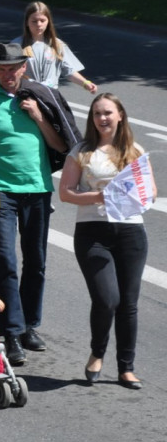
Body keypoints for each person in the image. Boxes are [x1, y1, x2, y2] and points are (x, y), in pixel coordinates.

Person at [0, 42, 67, 367]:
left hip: (38, 188)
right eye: (1, 69)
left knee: (37, 261)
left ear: (23, 68)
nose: (7, 74)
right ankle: (11, 333)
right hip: (0, 193)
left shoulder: (40, 98)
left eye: (13, 68)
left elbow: (61, 144)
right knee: (5, 260)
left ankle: (30, 325)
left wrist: (38, 116)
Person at [59, 94, 156, 390]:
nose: (102, 118)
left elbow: (151, 191)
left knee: (128, 303)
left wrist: (136, 194)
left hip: (130, 233)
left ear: (120, 115)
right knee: (106, 298)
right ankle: (97, 353)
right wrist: (98, 196)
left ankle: (126, 368)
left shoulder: (134, 151)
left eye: (108, 113)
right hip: (93, 233)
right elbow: (65, 192)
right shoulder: (82, 151)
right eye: (97, 114)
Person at [13, 1, 98, 94]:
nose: (39, 24)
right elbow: (8, 72)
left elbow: (69, 71)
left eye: (42, 20)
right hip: (27, 94)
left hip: (50, 95)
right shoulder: (17, 45)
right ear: (27, 22)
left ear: (48, 22)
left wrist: (85, 83)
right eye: (34, 21)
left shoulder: (57, 45)